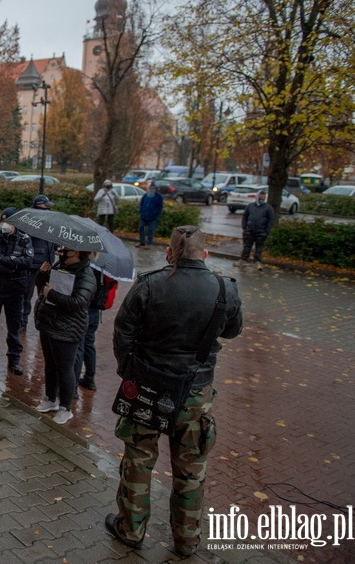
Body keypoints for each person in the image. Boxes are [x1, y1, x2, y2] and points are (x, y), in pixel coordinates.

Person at [106, 225, 243, 557]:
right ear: (205, 255)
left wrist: (130, 372)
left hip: (149, 389)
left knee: (139, 461)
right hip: (195, 393)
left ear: (169, 254)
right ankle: (186, 539)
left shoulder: (150, 284)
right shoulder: (225, 289)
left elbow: (123, 333)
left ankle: (132, 529)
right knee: (191, 471)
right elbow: (233, 330)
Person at [33, 247, 97, 424]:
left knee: (65, 368)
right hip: (48, 323)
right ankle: (50, 399)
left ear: (76, 252)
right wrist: (42, 273)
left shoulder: (86, 275)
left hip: (67, 328)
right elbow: (41, 286)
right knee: (50, 364)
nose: (60, 251)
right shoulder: (58, 265)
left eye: (66, 249)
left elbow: (79, 302)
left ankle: (65, 408)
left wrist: (52, 294)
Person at [0, 207, 34, 377]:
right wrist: (11, 266)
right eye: (3, 222)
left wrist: (2, 260)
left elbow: (27, 261)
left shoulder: (25, 240)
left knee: (14, 328)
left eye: (8, 222)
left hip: (15, 291)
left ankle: (14, 360)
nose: (5, 225)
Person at [21, 195, 58, 330]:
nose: (48, 208)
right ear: (39, 205)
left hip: (47, 264)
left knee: (45, 296)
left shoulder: (49, 220)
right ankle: (22, 322)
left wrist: (56, 248)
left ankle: (43, 323)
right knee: (27, 295)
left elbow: (52, 239)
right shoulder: (30, 220)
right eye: (46, 205)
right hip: (33, 264)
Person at [235, 189, 274, 270]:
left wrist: (266, 231)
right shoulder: (250, 206)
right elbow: (245, 218)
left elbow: (270, 220)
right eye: (260, 197)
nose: (261, 199)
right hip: (249, 231)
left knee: (259, 248)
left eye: (263, 197)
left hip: (261, 232)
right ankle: (243, 260)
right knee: (246, 246)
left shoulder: (268, 208)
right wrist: (245, 228)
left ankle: (257, 262)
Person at [137, 182, 163, 247]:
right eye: (150, 188)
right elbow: (141, 204)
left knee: (151, 230)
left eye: (153, 189)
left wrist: (155, 213)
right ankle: (142, 242)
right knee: (141, 228)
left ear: (155, 189)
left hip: (153, 217)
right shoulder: (145, 195)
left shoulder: (158, 197)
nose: (151, 190)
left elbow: (160, 207)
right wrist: (141, 212)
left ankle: (149, 243)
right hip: (144, 216)